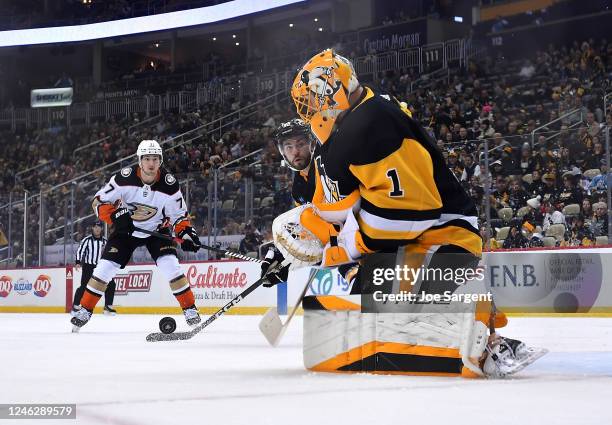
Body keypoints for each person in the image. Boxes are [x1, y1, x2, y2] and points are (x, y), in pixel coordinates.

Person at [288, 48, 545, 377]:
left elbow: (409, 217)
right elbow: (337, 212)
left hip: (445, 233)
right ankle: (469, 313)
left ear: (332, 90)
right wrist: (297, 245)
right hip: (415, 240)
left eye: (311, 100)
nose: (310, 110)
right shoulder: (367, 112)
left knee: (402, 308)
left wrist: (340, 249)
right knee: (372, 305)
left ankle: (487, 330)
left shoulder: (365, 127)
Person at [70, 140, 203, 332]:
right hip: (126, 230)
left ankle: (190, 309)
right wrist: (115, 216)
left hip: (156, 230)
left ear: (161, 161)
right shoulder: (124, 178)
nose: (151, 163)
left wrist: (187, 234)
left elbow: (178, 216)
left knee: (171, 266)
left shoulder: (169, 184)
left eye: (156, 159)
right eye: (147, 158)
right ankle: (85, 310)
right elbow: (98, 202)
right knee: (105, 269)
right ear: (140, 160)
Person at [260, 119, 317, 286]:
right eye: (289, 147)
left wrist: (285, 255)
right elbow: (307, 229)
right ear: (283, 151)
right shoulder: (298, 187)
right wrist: (281, 252)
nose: (295, 152)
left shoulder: (326, 169)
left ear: (311, 144)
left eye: (300, 144)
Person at [73, 221, 117, 315]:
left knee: (111, 284)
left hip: (101, 267)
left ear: (101, 229)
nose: (97, 229)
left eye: (99, 227)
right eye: (95, 227)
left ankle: (108, 306)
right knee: (84, 286)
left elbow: (109, 252)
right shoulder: (87, 240)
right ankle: (76, 305)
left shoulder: (105, 241)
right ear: (92, 228)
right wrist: (78, 262)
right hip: (89, 266)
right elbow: (80, 251)